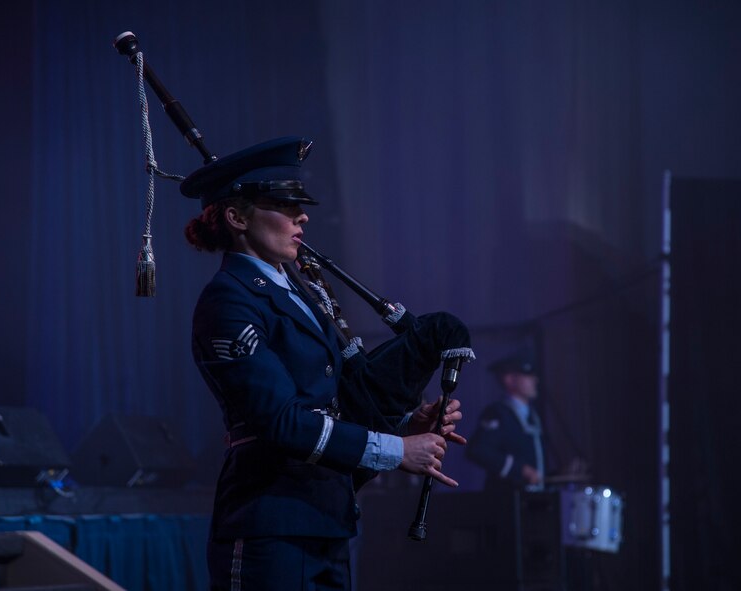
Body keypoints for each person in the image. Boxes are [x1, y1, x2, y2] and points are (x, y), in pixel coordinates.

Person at [181, 136, 466, 591]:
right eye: (282, 204)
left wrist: (404, 426)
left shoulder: (300, 292)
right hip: (270, 523)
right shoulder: (229, 300)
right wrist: (396, 452)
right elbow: (280, 421)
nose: (303, 216)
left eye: (300, 205)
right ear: (236, 217)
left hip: (326, 516)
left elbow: (330, 400)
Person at [466, 349, 558, 493]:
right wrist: (519, 469)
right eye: (527, 375)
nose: (535, 380)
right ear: (509, 379)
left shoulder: (534, 416)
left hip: (533, 497)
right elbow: (478, 450)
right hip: (508, 498)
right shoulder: (498, 413)